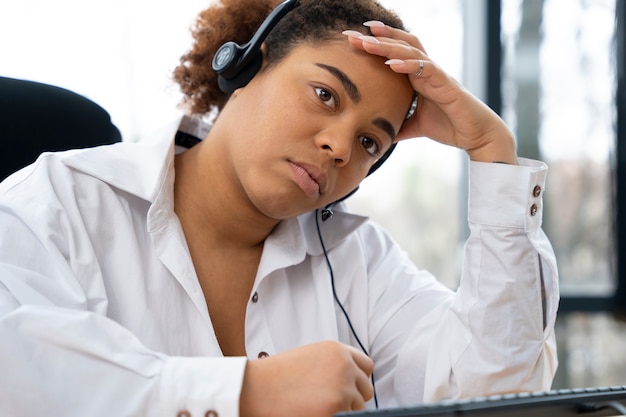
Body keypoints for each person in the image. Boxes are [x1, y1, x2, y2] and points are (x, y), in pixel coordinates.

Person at [0, 0, 559, 416]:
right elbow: (19, 374)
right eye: (325, 95)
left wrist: (495, 159)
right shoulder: (57, 202)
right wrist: (248, 392)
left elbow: (495, 392)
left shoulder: (356, 258)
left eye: (370, 143)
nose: (340, 147)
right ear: (248, 67)